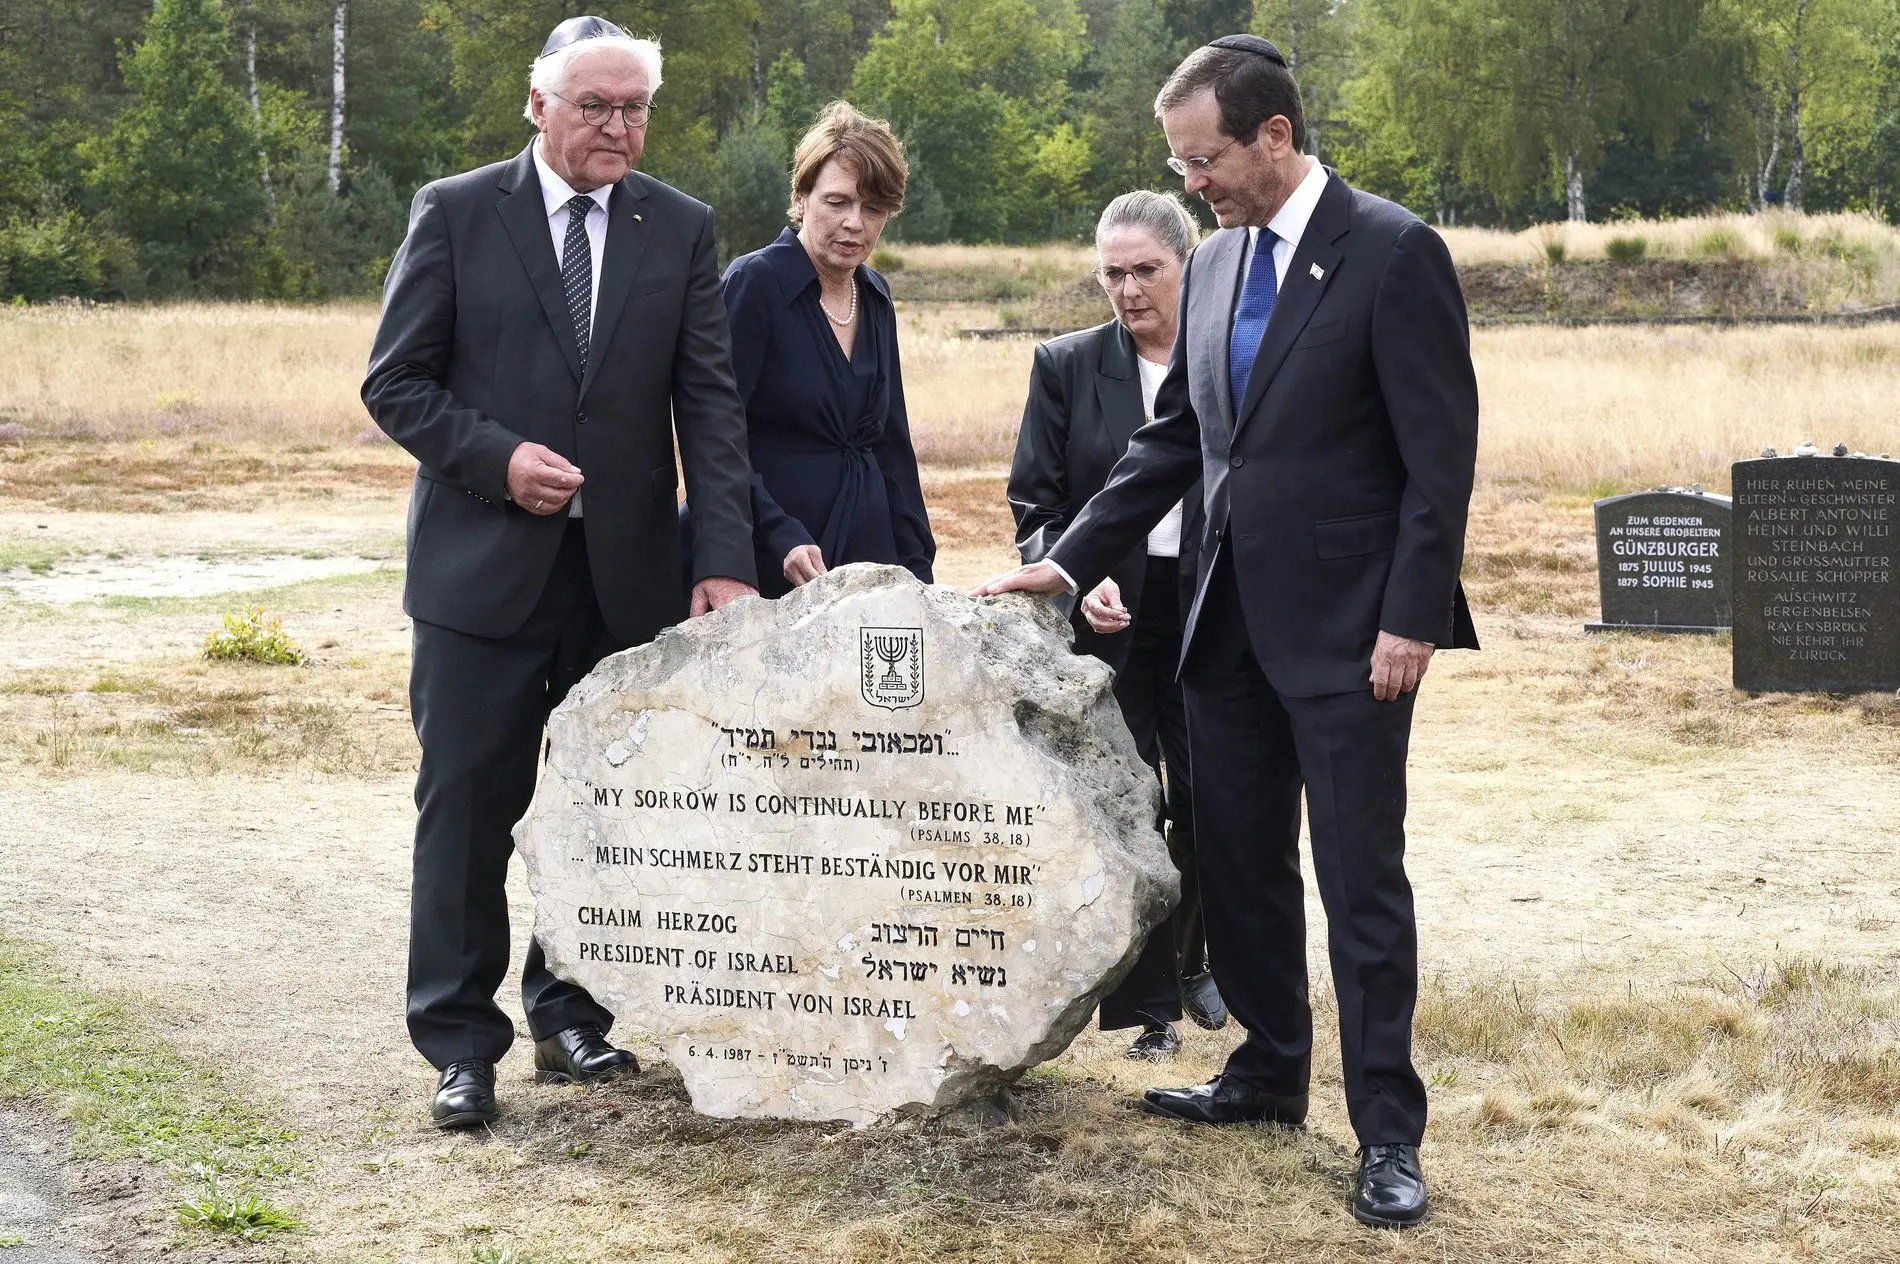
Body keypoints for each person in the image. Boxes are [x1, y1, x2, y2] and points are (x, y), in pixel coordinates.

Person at [977, 34, 1479, 1229]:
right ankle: (1265, 1070)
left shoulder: (1395, 252)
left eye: (1203, 159)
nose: (1191, 180)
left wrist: (1412, 615)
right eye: (1177, 162)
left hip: (1354, 635)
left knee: (1361, 882)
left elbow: (1438, 458)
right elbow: (1177, 445)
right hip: (1222, 630)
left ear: (1273, 138)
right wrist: (1066, 560)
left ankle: (1387, 1132)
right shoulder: (1210, 270)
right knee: (1244, 867)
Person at [361, 16, 758, 1130]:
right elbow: (394, 384)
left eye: (635, 107)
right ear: (538, 106)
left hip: (624, 581)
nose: (619, 127)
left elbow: (710, 407)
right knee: (467, 811)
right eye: (596, 106)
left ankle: (571, 1011)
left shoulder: (677, 225)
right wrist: (497, 459)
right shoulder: (453, 210)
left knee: (603, 811)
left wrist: (722, 557)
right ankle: (459, 1040)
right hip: (479, 579)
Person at [1006, 190, 1226, 1061]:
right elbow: (1035, 501)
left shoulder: (1227, 357)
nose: (1128, 291)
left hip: (1214, 606)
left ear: (1189, 261)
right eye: (1112, 274)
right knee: (1125, 803)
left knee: (1211, 798)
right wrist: (1076, 573)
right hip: (1109, 615)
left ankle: (1197, 957)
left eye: (1146, 271)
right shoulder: (1065, 364)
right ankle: (1148, 1009)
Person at [717, 101, 934, 596]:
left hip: (869, 549)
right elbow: (717, 437)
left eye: (873, 208)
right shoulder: (755, 283)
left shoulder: (876, 295)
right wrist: (778, 532)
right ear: (802, 194)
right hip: (772, 551)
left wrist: (918, 564)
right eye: (838, 202)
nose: (855, 223)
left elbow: (893, 444)